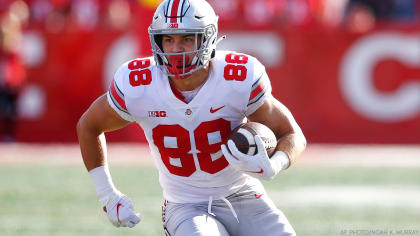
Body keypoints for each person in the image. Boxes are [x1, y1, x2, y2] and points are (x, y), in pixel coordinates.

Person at [76, 0, 306, 235]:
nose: (175, 49)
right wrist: (107, 195)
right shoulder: (139, 84)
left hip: (244, 195)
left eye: (186, 38)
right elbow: (88, 126)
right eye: (168, 39)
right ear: (157, 41)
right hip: (185, 205)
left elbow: (292, 134)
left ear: (207, 38)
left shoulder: (237, 77)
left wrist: (274, 165)